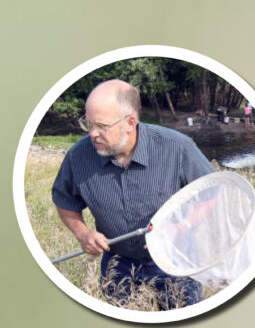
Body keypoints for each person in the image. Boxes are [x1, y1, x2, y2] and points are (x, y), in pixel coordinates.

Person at [52, 79, 215, 310]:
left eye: (101, 125)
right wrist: (83, 233)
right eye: (87, 124)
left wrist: (183, 226)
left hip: (175, 260)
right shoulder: (78, 157)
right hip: (117, 265)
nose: (92, 134)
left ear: (130, 122)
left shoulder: (177, 147)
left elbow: (212, 193)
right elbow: (64, 200)